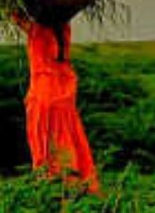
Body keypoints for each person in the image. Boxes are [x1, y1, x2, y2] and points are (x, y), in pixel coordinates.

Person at [15, 16, 99, 194]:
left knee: (45, 144)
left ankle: (53, 187)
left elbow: (15, 15)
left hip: (44, 95)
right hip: (63, 94)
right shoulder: (64, 29)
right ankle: (73, 184)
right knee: (68, 139)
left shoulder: (38, 30)